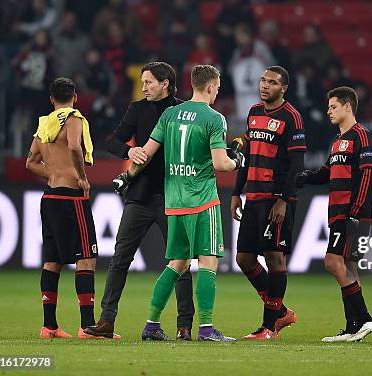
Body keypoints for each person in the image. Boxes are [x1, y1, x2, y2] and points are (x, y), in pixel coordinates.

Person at [113, 64, 244, 342]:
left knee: (177, 263)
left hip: (174, 201)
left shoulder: (170, 115)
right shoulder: (214, 118)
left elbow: (145, 154)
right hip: (202, 199)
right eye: (217, 88)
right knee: (208, 262)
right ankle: (207, 329)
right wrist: (237, 163)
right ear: (210, 87)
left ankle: (151, 325)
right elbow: (221, 164)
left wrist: (126, 176)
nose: (217, 92)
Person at [84, 62, 195, 340]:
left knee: (180, 263)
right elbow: (112, 142)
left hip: (174, 197)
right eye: (143, 82)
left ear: (165, 83)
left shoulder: (183, 111)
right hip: (140, 197)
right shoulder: (137, 109)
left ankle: (185, 326)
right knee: (120, 259)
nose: (143, 87)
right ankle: (106, 321)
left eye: (149, 82)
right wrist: (129, 151)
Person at [295, 86, 372, 342]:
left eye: (333, 107)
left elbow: (368, 173)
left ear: (348, 107)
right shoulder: (338, 142)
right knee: (349, 267)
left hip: (351, 214)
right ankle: (353, 328)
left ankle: (364, 318)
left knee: (332, 262)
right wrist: (307, 177)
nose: (328, 111)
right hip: (338, 213)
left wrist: (356, 211)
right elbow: (327, 172)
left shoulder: (361, 136)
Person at [231, 66, 305, 340]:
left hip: (276, 200)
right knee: (244, 258)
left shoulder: (292, 117)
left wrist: (283, 199)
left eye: (272, 82)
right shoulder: (254, 112)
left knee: (275, 258)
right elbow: (247, 155)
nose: (265, 85)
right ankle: (281, 311)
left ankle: (269, 325)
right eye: (263, 80)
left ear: (283, 88)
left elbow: (297, 163)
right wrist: (236, 192)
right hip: (253, 197)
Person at [25, 77, 100, 339]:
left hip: (50, 198)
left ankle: (49, 326)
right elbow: (72, 146)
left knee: (52, 260)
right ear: (75, 97)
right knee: (86, 259)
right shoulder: (74, 118)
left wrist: (54, 174)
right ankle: (88, 326)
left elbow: (31, 162)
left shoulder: (44, 124)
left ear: (51, 99)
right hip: (72, 197)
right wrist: (80, 177)